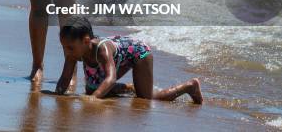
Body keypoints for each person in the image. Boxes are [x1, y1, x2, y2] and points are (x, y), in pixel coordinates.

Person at [55, 17, 203, 103]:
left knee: (147, 97)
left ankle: (189, 86)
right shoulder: (73, 52)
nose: (66, 51)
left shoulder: (102, 50)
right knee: (91, 88)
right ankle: (128, 87)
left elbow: (111, 78)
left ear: (86, 40)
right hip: (121, 55)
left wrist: (93, 100)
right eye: (64, 47)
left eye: (70, 47)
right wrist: (58, 94)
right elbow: (65, 77)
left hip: (139, 53)